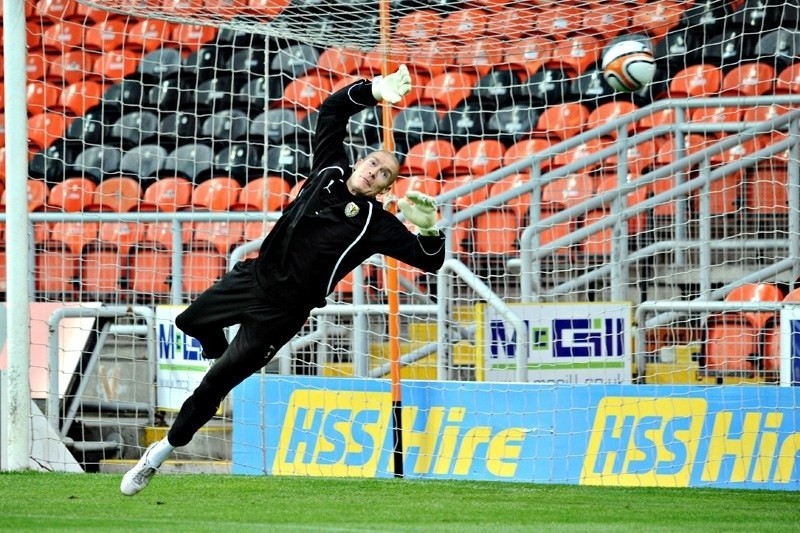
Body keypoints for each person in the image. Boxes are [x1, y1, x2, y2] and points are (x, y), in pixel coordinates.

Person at [121, 64, 445, 496]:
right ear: (360, 162)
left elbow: (432, 261)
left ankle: (156, 457)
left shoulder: (375, 224)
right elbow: (331, 113)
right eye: (372, 163)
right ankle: (215, 351)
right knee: (188, 323)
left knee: (216, 384)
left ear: (386, 190)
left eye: (383, 174)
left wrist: (429, 229)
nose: (372, 171)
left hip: (283, 313)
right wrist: (374, 90)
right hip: (251, 278)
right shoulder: (329, 172)